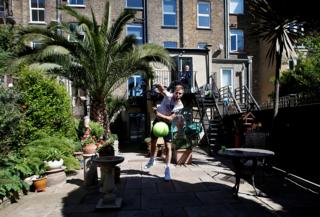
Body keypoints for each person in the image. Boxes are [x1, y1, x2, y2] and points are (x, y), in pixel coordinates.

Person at [144, 83, 185, 181]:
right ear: (174, 92)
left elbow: (170, 119)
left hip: (166, 125)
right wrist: (158, 85)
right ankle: (152, 160)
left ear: (182, 94)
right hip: (157, 123)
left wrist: (157, 113)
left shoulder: (180, 105)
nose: (178, 95)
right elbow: (162, 90)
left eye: (180, 94)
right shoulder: (168, 95)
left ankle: (167, 169)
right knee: (153, 142)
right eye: (177, 93)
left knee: (168, 147)